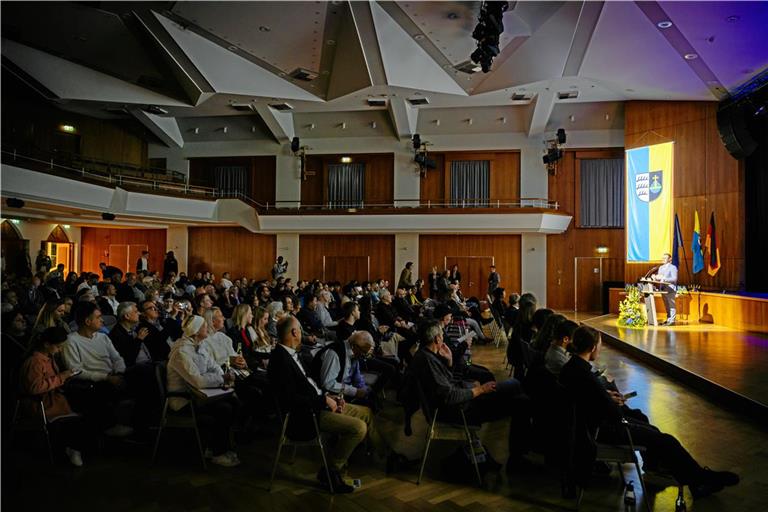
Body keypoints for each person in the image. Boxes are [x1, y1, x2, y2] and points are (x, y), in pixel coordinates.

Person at [559, 327, 739, 497]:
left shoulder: (571, 368)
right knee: (666, 440)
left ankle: (695, 480)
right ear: (592, 348)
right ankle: (700, 478)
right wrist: (613, 402)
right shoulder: (584, 375)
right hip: (601, 430)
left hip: (591, 426)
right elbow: (611, 413)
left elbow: (587, 398)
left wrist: (606, 397)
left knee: (654, 432)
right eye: (599, 345)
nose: (600, 348)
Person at [268, 317, 377, 493]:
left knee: (366, 413)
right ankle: (331, 470)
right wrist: (324, 400)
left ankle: (384, 456)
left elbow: (311, 387)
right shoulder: (280, 360)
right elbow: (291, 400)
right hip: (304, 417)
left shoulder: (291, 353)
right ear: (294, 332)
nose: (302, 332)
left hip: (317, 404)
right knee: (359, 428)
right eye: (300, 328)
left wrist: (330, 396)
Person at [406, 320, 532, 470]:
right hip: (460, 411)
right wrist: (480, 390)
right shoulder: (427, 361)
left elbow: (445, 385)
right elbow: (449, 396)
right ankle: (517, 459)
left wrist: (449, 361)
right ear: (437, 339)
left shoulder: (425, 355)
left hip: (461, 404)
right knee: (522, 402)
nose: (443, 338)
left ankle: (518, 454)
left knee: (515, 385)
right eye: (441, 335)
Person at [167, 315, 240, 467]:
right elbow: (198, 380)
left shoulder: (199, 345)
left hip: (202, 395)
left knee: (233, 401)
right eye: (204, 325)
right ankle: (218, 452)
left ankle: (215, 447)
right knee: (224, 409)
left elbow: (214, 367)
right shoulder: (181, 351)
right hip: (184, 400)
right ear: (195, 331)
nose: (207, 327)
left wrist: (222, 377)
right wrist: (222, 379)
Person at [61, 302, 133, 437]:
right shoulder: (71, 341)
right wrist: (106, 377)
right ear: (88, 321)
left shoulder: (103, 337)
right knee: (101, 389)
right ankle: (109, 427)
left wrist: (120, 373)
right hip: (93, 382)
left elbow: (117, 358)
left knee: (141, 375)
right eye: (98, 317)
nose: (102, 320)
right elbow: (75, 370)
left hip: (113, 375)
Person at [19, 326, 87, 467]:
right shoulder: (35, 362)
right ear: (47, 344)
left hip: (54, 398)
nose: (60, 350)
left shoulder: (49, 358)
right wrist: (61, 377)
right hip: (42, 404)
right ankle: (72, 447)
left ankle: (74, 446)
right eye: (58, 346)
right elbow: (35, 388)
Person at [652, 252, 678, 325]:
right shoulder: (661, 267)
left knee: (671, 305)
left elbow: (674, 279)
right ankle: (668, 319)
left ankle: (672, 320)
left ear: (670, 259)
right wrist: (655, 278)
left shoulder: (673, 267)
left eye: (665, 258)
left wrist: (665, 279)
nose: (663, 259)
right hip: (663, 289)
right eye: (662, 258)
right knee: (666, 305)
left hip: (670, 289)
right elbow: (660, 278)